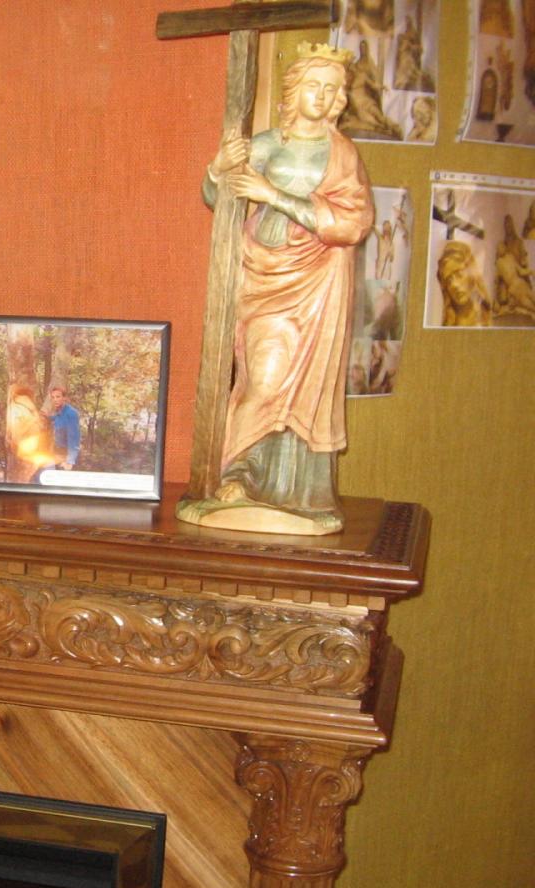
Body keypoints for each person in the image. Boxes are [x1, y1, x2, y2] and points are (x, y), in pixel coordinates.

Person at [184, 43, 374, 534]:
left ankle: (285, 490)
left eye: (332, 89)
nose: (323, 96)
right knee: (262, 379)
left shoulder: (343, 154)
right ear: (294, 90)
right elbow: (219, 197)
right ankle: (232, 473)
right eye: (314, 85)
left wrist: (274, 195)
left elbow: (353, 223)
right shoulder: (267, 143)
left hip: (318, 281)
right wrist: (217, 169)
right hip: (264, 277)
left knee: (303, 384)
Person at [436, 240, 492, 327]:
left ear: (472, 274)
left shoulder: (487, 314)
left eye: (459, 274)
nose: (454, 285)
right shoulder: (449, 324)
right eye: (448, 280)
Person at [44, 386, 80, 470]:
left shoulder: (71, 413)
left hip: (66, 455)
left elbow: (74, 439)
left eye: (58, 397)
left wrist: (70, 461)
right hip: (57, 452)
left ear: (64, 398)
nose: (55, 400)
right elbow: (58, 419)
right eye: (53, 397)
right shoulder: (59, 412)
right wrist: (48, 417)